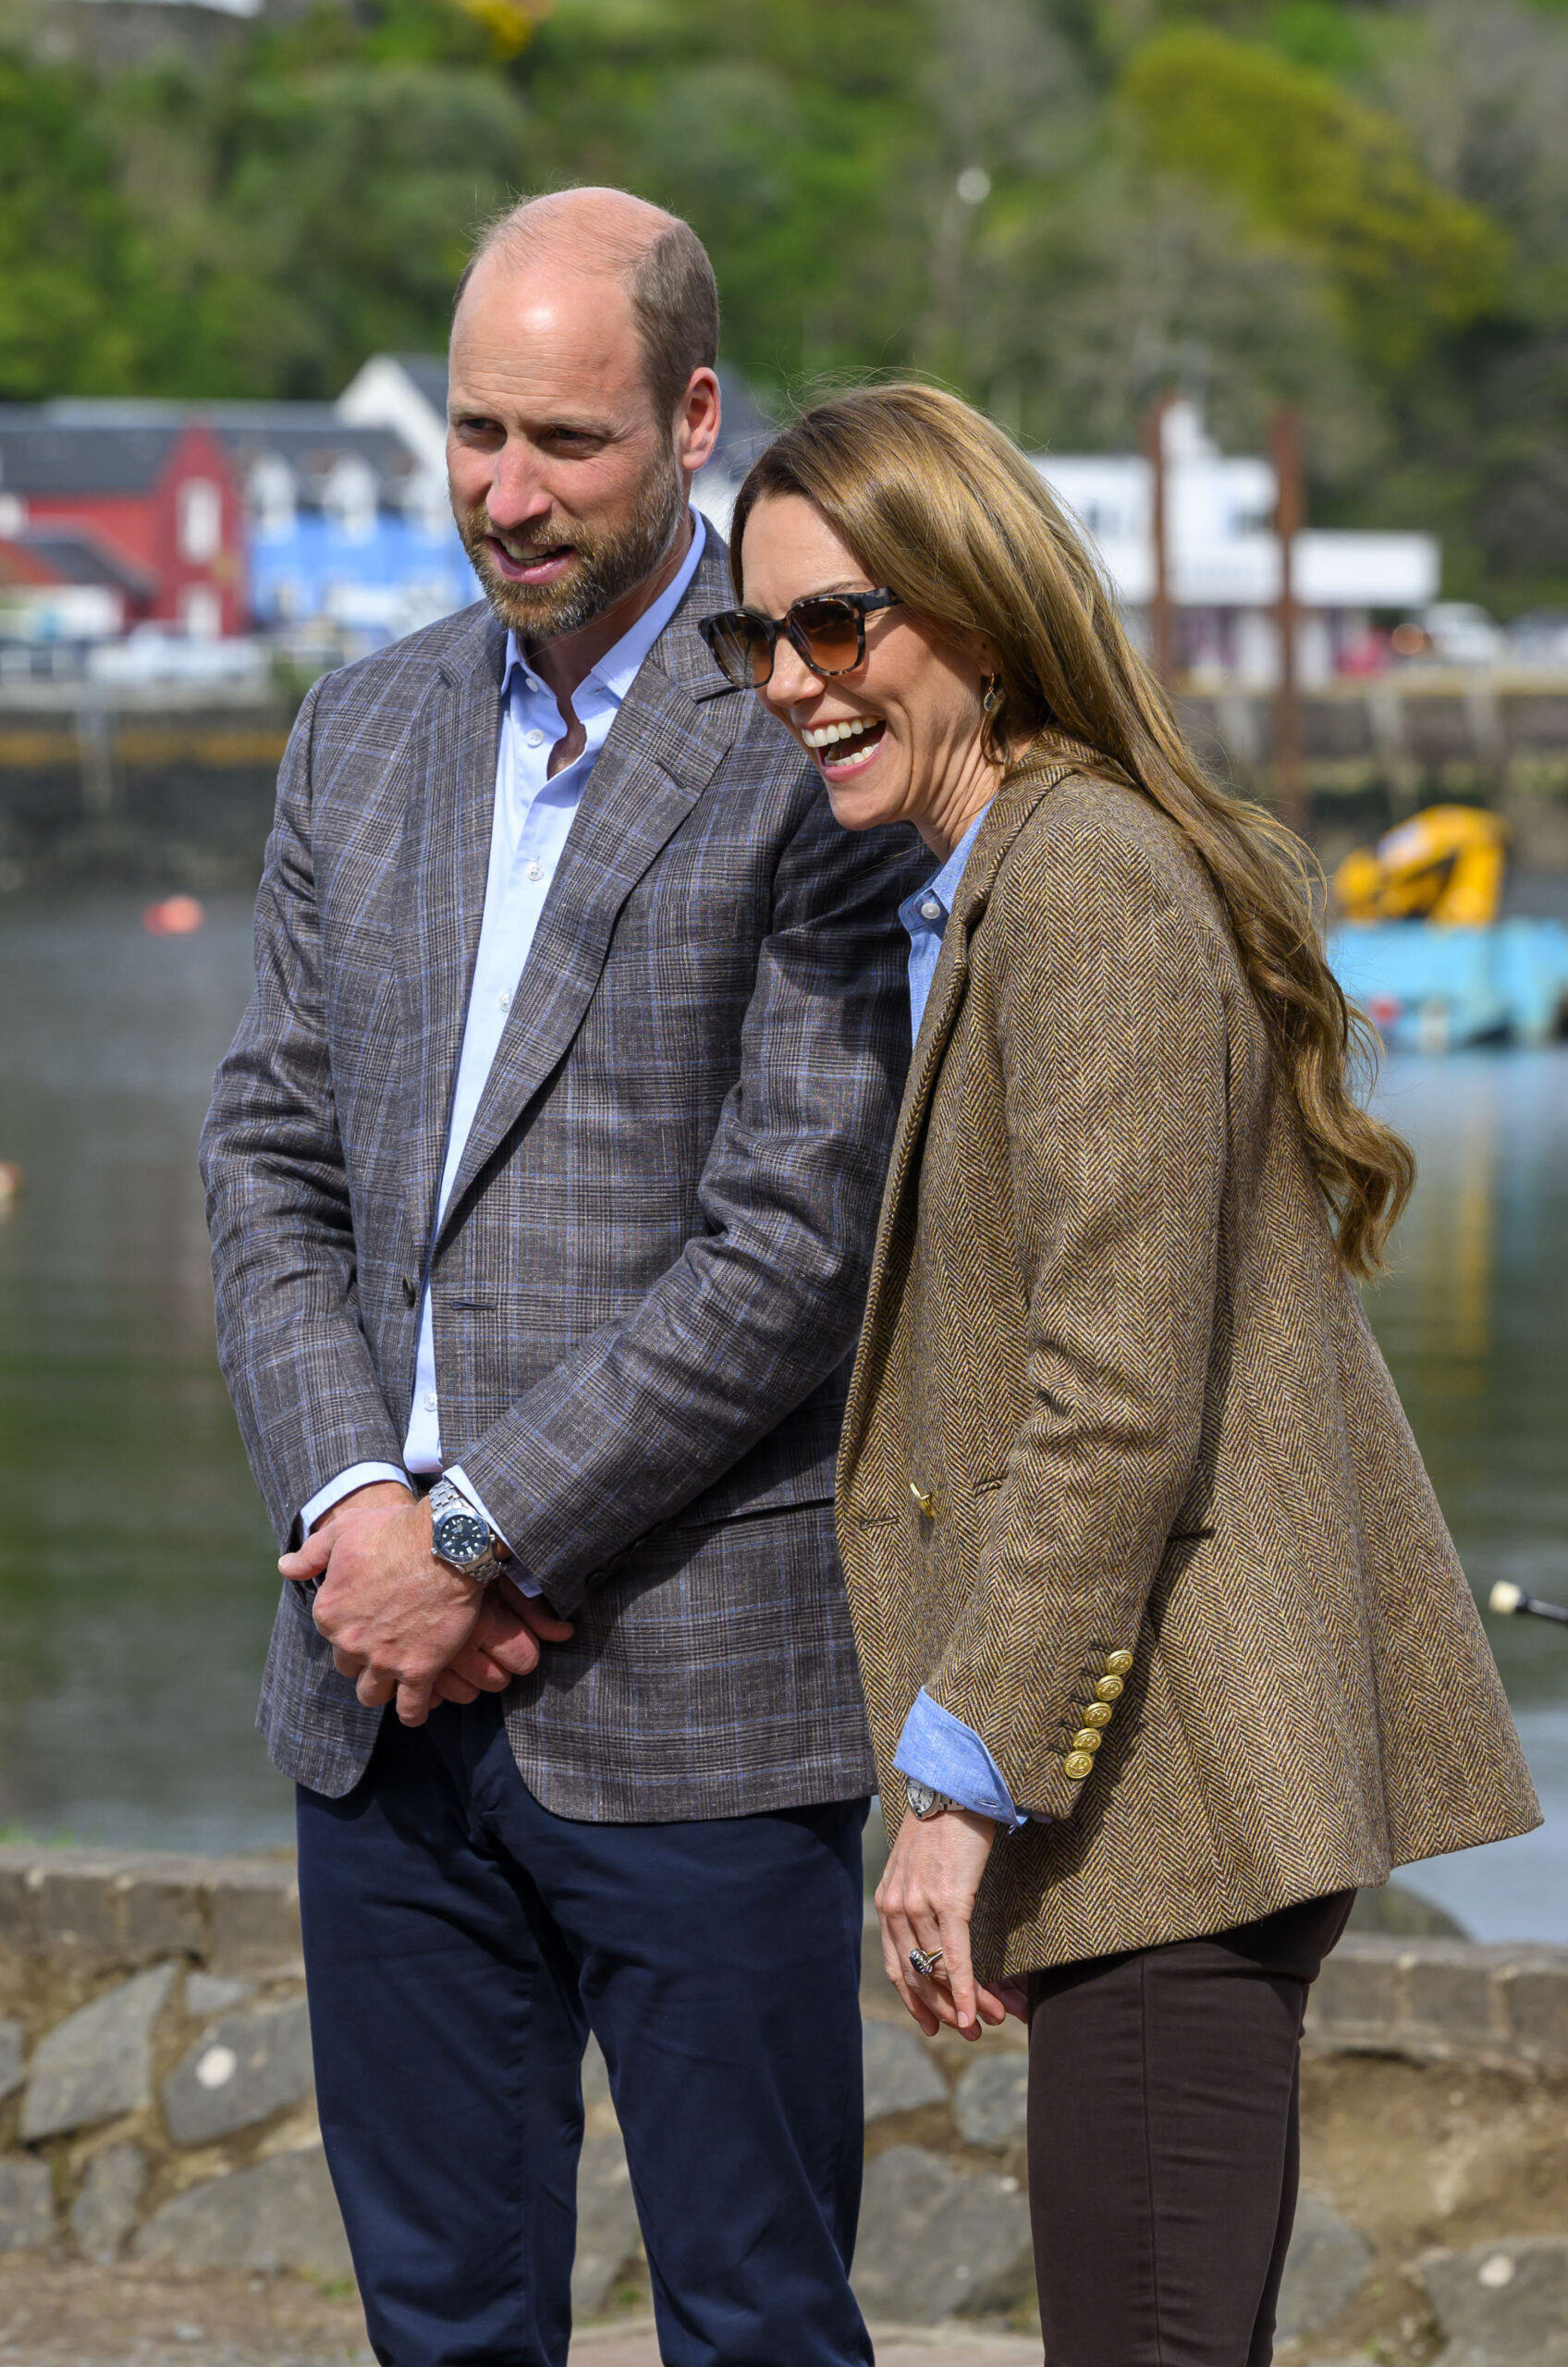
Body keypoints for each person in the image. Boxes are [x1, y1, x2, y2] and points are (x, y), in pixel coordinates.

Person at [702, 381, 1541, 2367]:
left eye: (841, 624)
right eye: (758, 635)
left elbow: (1113, 1394)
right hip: (1166, 1800)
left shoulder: (1076, 881)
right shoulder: (1011, 873)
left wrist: (953, 1782)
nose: (791, 682)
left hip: (1179, 1801)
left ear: (975, 612)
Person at [201, 194, 927, 2367]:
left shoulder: (814, 736)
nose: (503, 493)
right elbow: (265, 1154)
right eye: (472, 431)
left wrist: (479, 1531)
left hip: (694, 1691)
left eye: (567, 442)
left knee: (759, 2320)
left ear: (695, 420)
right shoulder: (363, 727)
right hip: (372, 1695)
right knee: (438, 2319)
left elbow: (795, 1234)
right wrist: (356, 1509)